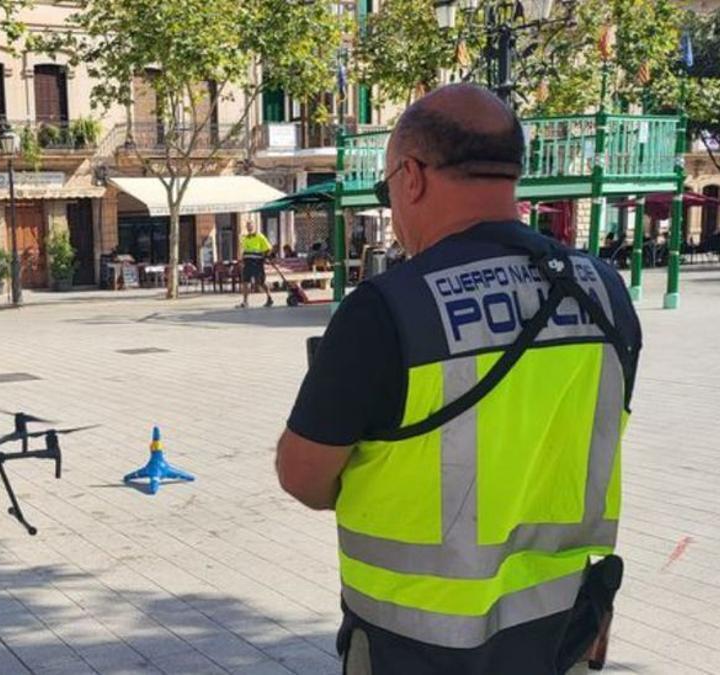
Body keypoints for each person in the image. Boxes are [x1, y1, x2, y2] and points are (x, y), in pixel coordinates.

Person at [275, 84, 641, 675]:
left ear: (412, 176)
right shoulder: (604, 292)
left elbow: (304, 478)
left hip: (413, 644)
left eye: (387, 187)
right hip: (558, 632)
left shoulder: (388, 310)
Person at [237, 220, 274, 308]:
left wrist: (265, 257)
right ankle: (245, 302)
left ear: (254, 226)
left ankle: (269, 298)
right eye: (247, 226)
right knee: (245, 282)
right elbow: (244, 250)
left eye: (250, 226)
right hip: (247, 263)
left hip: (257, 263)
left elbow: (269, 248)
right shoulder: (245, 238)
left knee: (261, 282)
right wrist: (242, 260)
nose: (249, 227)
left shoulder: (260, 236)